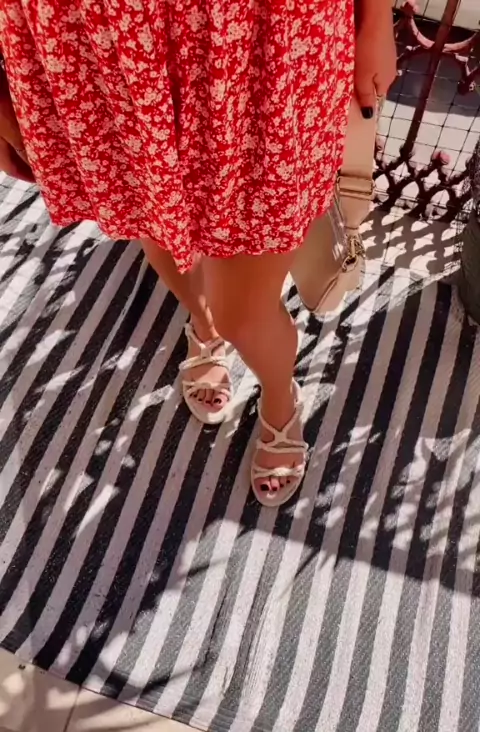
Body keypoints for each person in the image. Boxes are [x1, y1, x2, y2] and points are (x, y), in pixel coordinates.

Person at [0, 0, 396, 506]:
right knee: (152, 209)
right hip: (102, 31)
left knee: (244, 314)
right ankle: (202, 323)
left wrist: (376, 20)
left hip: (262, 34)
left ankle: (280, 396)